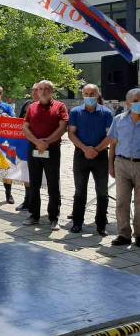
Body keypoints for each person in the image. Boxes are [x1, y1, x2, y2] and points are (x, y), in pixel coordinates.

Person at [22, 80, 68, 230]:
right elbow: (25, 126)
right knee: (34, 183)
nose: (43, 91)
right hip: (33, 149)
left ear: (52, 91)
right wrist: (37, 141)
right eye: (40, 89)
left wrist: (47, 142)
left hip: (52, 150)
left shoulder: (60, 106)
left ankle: (54, 217)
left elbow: (62, 127)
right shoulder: (32, 107)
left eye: (46, 89)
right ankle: (34, 215)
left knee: (53, 184)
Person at [67, 84, 112, 236]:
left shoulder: (107, 113)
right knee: (80, 192)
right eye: (86, 93)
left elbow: (110, 136)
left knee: (102, 192)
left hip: (100, 157)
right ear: (82, 95)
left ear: (98, 94)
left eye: (92, 93)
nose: (89, 96)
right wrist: (86, 149)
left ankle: (101, 225)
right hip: (81, 156)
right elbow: (71, 134)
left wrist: (96, 150)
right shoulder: (75, 112)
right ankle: (77, 223)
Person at [107, 88, 140, 247]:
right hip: (122, 164)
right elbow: (112, 145)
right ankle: (124, 234)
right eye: (136, 100)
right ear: (128, 103)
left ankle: (139, 235)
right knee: (121, 201)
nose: (139, 103)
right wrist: (111, 166)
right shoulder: (119, 120)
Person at [16, 83, 39, 211]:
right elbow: (19, 121)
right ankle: (27, 200)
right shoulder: (27, 104)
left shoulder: (49, 105)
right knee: (26, 172)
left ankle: (36, 203)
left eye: (37, 90)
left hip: (41, 144)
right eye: (33, 90)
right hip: (25, 143)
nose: (34, 92)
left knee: (40, 175)